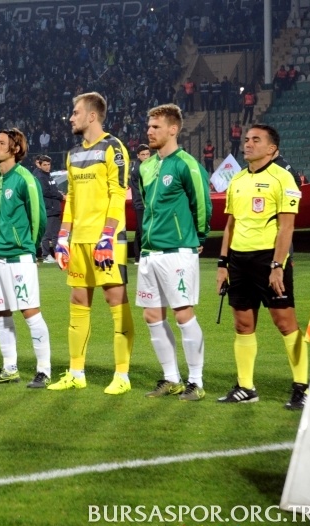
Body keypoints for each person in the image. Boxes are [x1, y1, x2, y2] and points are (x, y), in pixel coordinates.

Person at [215, 124, 310, 410]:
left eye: (256, 140)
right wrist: (223, 264)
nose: (248, 144)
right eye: (246, 139)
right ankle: (246, 387)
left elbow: (287, 227)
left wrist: (277, 265)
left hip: (268, 259)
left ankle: (302, 388)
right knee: (242, 324)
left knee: (285, 323)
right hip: (238, 261)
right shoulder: (237, 180)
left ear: (271, 148)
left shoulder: (283, 178)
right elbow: (230, 225)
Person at [49, 92, 135, 395]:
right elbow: (71, 197)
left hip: (107, 240)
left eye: (76, 112)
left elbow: (118, 193)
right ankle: (76, 373)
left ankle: (122, 375)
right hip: (80, 240)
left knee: (116, 302)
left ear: (92, 116)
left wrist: (107, 235)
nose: (71, 118)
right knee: (78, 303)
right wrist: (63, 237)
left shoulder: (114, 148)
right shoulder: (72, 154)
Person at [137, 104, 212, 401]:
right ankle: (171, 378)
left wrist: (198, 236)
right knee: (152, 315)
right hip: (149, 251)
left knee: (183, 314)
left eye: (156, 127)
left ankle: (196, 381)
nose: (149, 131)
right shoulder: (145, 167)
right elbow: (147, 206)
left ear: (173, 129)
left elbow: (202, 203)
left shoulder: (186, 164)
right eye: (149, 126)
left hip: (178, 250)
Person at [0, 128, 52, 388]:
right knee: (0, 314)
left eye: (1, 143)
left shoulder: (25, 179)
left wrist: (28, 247)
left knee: (30, 312)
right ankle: (10, 367)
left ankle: (44, 370)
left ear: (16, 148)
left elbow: (38, 218)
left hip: (19, 257)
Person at [36, 155, 65, 264]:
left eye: (48, 164)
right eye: (45, 165)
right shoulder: (41, 177)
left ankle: (58, 254)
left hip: (55, 208)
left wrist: (59, 193)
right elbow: (46, 192)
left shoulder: (48, 176)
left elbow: (53, 190)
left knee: (56, 234)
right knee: (47, 234)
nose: (47, 167)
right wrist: (60, 196)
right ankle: (46, 255)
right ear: (40, 165)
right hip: (49, 208)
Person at [128, 144, 150, 264]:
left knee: (139, 230)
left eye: (147, 154)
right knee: (143, 230)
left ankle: (138, 257)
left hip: (140, 203)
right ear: (138, 155)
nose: (146, 157)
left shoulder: (140, 167)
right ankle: (145, 256)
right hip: (141, 204)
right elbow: (140, 190)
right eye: (143, 154)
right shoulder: (139, 169)